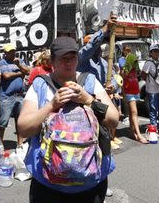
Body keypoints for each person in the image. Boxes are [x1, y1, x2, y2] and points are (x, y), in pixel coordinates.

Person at [18, 36, 119, 202]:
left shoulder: (90, 82)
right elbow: (23, 128)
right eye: (63, 58)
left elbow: (114, 120)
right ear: (52, 61)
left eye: (72, 58)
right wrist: (51, 105)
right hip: (48, 184)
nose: (69, 63)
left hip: (91, 183)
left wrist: (88, 100)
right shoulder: (40, 85)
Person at [0, 43, 30, 150]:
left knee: (19, 121)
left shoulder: (19, 61)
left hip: (20, 95)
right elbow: (6, 76)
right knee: (3, 122)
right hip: (7, 96)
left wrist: (20, 66)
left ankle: (20, 143)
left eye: (13, 51)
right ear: (5, 53)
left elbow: (27, 71)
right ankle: (0, 143)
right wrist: (19, 73)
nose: (12, 53)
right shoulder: (2, 63)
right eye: (10, 51)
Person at [142, 44, 159, 136]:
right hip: (152, 90)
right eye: (155, 51)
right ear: (151, 53)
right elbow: (143, 75)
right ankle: (153, 128)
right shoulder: (148, 63)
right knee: (153, 110)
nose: (157, 53)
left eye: (158, 51)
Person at [121, 52, 148, 144]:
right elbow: (122, 76)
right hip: (128, 91)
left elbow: (138, 75)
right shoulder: (125, 69)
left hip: (135, 90)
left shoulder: (135, 70)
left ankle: (132, 132)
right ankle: (139, 134)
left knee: (132, 112)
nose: (135, 63)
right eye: (134, 61)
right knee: (134, 112)